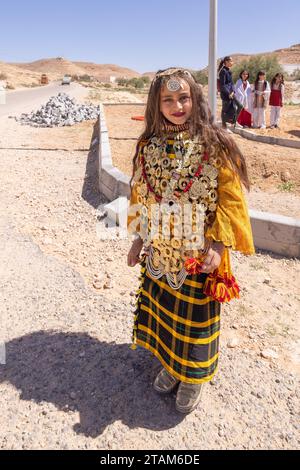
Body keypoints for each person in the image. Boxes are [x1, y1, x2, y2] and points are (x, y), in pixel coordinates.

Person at [127, 67, 255, 414]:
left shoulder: (214, 144)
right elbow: (139, 192)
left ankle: (193, 376)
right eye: (168, 99)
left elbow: (230, 199)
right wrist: (139, 240)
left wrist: (217, 245)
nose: (176, 105)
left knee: (195, 319)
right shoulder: (146, 145)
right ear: (157, 104)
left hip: (197, 254)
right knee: (167, 313)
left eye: (183, 97)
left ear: (195, 99)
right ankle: (172, 365)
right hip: (159, 249)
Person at [218, 56, 243, 131]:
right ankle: (224, 126)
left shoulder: (229, 71)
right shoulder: (223, 71)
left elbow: (231, 83)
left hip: (231, 93)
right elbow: (223, 85)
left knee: (240, 106)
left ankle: (234, 122)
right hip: (226, 94)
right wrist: (229, 93)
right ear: (226, 62)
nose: (232, 62)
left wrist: (233, 91)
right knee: (225, 110)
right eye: (231, 61)